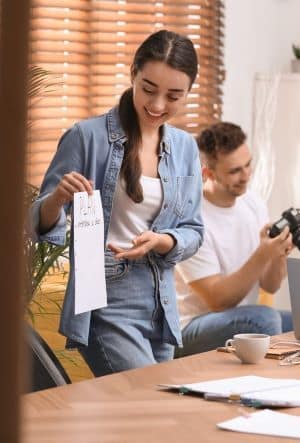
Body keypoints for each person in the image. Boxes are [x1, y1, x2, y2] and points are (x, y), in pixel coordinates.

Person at [31, 30, 203, 376]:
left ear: (188, 93)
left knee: (153, 407)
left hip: (163, 303)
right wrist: (58, 197)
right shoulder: (87, 137)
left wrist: (162, 240)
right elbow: (37, 224)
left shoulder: (185, 147)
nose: (158, 106)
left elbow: (194, 231)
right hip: (106, 298)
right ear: (133, 73)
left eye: (173, 96)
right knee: (146, 396)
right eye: (149, 89)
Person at [174, 122, 293, 357]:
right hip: (191, 328)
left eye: (248, 165)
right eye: (234, 171)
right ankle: (267, 379)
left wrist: (278, 254)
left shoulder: (253, 203)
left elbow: (270, 285)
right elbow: (218, 301)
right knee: (263, 319)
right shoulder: (189, 219)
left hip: (242, 319)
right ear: (208, 173)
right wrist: (263, 254)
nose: (246, 175)